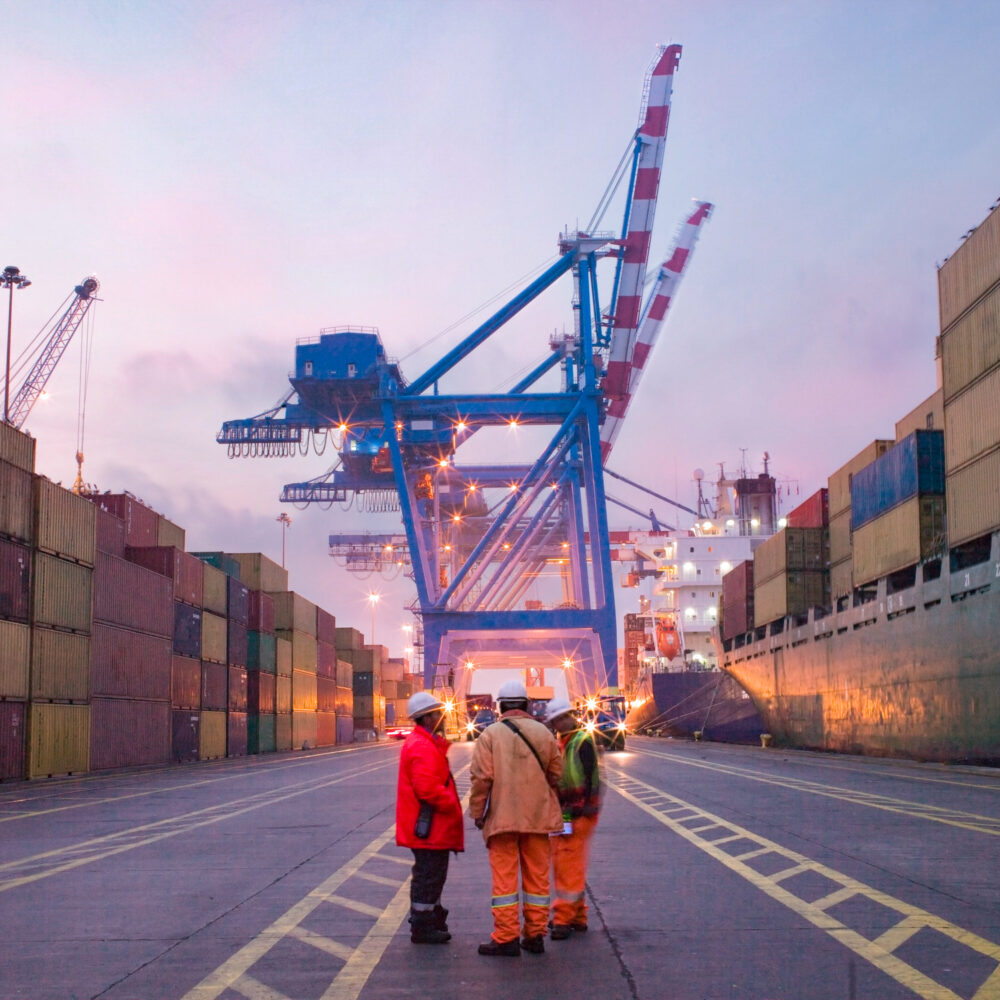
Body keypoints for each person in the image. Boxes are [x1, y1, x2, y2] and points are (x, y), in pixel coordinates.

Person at [469, 679, 563, 957]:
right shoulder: (544, 733)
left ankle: (506, 938)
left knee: (505, 882)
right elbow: (557, 773)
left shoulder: (489, 735)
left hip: (502, 819)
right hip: (537, 817)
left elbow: (481, 779)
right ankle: (535, 935)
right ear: (526, 704)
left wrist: (477, 813)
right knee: (537, 879)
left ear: (500, 706)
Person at [396, 691, 464, 944]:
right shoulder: (422, 746)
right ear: (426, 718)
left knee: (432, 875)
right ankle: (423, 926)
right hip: (429, 828)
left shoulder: (424, 743)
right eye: (438, 713)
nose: (442, 717)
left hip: (430, 827)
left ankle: (430, 918)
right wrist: (452, 805)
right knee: (428, 876)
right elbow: (426, 787)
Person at [545, 697, 601, 939]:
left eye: (561, 718)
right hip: (566, 811)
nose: (559, 723)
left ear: (571, 716)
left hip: (579, 812)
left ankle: (563, 918)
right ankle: (578, 916)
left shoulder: (581, 742)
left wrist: (588, 806)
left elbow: (593, 779)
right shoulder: (564, 742)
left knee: (567, 864)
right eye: (556, 720)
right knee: (566, 862)